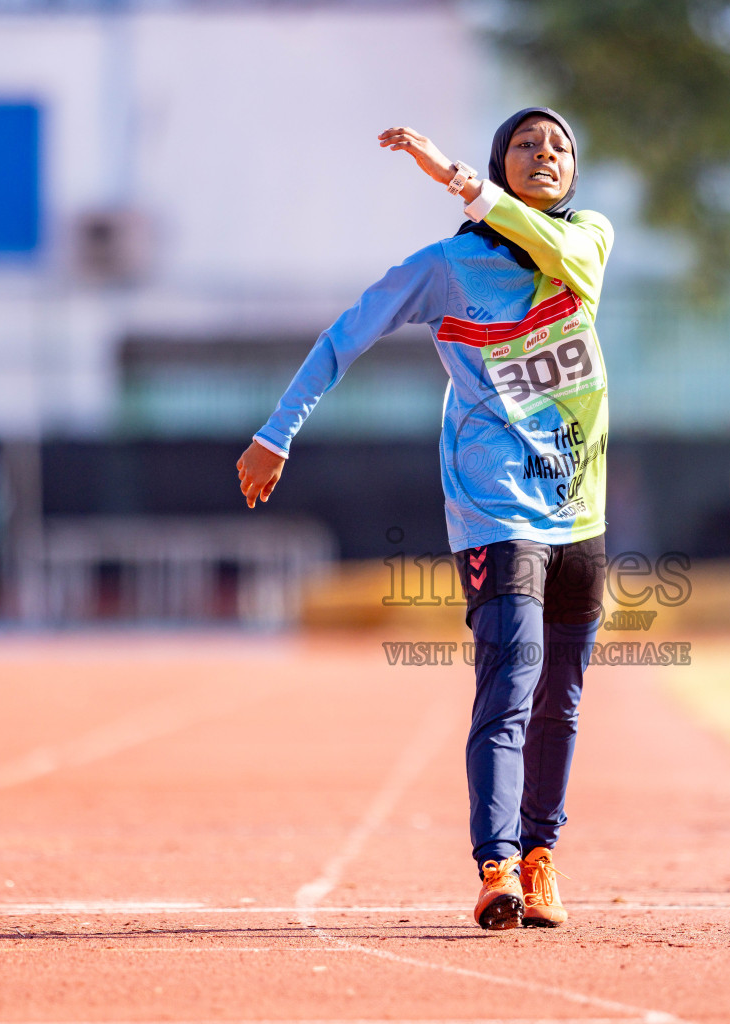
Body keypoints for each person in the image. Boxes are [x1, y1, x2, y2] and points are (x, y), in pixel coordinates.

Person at [234, 108, 613, 930]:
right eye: (525, 144)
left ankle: (543, 855)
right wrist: (277, 430)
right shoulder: (447, 268)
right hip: (493, 507)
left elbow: (552, 248)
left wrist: (459, 182)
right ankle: (498, 866)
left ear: (574, 175)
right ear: (499, 161)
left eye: (559, 147)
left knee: (564, 698)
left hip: (578, 506)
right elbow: (348, 334)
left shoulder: (588, 242)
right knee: (512, 679)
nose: (544, 154)